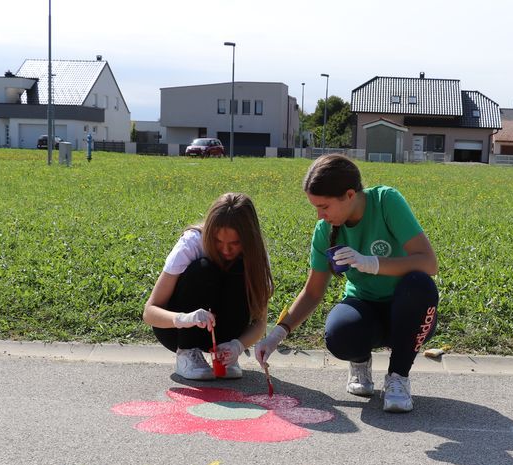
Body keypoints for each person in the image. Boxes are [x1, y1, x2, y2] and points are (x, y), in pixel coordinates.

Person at [255, 154, 439, 413]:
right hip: (365, 308)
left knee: (420, 286)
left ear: (350, 195)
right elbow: (312, 292)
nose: (320, 216)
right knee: (340, 334)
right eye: (315, 208)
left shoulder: (386, 201)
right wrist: (277, 334)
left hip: (408, 312)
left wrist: (372, 263)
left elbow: (429, 263)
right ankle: (360, 363)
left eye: (324, 207)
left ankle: (398, 377)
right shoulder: (324, 231)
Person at [143, 192, 273, 380]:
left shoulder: (256, 256)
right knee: (204, 268)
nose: (226, 250)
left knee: (240, 270)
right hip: (178, 331)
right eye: (218, 241)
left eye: (235, 243)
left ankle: (225, 354)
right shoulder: (192, 243)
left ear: (249, 239)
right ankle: (187, 353)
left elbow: (260, 322)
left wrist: (238, 345)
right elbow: (150, 312)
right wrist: (185, 319)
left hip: (225, 333)